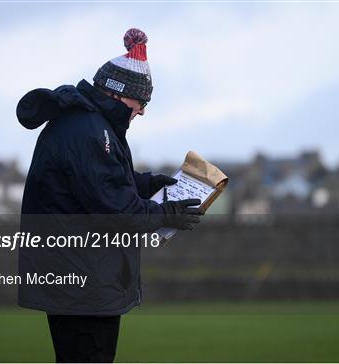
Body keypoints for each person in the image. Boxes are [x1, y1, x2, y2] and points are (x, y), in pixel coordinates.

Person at [15, 28, 203, 362]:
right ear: (118, 94)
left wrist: (149, 184)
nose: (143, 110)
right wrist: (166, 214)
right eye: (141, 101)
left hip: (77, 280)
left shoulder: (86, 124)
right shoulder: (91, 132)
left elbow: (100, 184)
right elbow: (117, 210)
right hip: (81, 286)